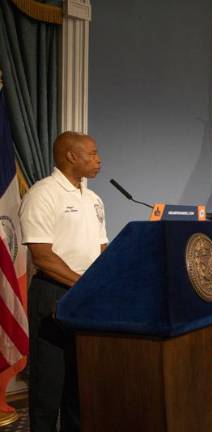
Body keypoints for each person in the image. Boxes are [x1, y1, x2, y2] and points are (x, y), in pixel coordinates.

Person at [20, 131, 107, 431]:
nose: (99, 160)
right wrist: (84, 284)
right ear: (71, 156)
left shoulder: (94, 198)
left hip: (85, 296)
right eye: (92, 154)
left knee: (79, 382)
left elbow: (101, 249)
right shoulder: (42, 194)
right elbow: (42, 255)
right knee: (49, 382)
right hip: (52, 293)